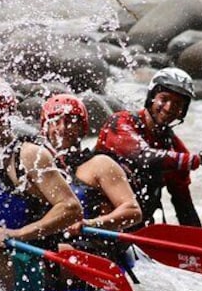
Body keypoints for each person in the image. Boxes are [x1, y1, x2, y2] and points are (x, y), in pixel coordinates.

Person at [0, 75, 83, 291]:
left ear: (7, 113)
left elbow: (71, 208)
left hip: (30, 263)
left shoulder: (29, 155)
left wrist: (18, 234)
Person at [95, 67, 202, 227]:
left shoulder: (175, 149)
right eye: (164, 99)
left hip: (137, 229)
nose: (168, 108)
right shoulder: (120, 123)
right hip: (96, 219)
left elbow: (183, 205)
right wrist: (201, 159)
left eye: (177, 104)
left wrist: (200, 244)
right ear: (151, 97)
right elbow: (144, 157)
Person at [39, 94, 142, 259]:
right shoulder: (41, 168)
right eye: (55, 122)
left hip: (93, 247)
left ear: (82, 128)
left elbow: (133, 211)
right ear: (45, 129)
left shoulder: (100, 164)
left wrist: (89, 223)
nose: (63, 128)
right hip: (57, 245)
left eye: (70, 121)